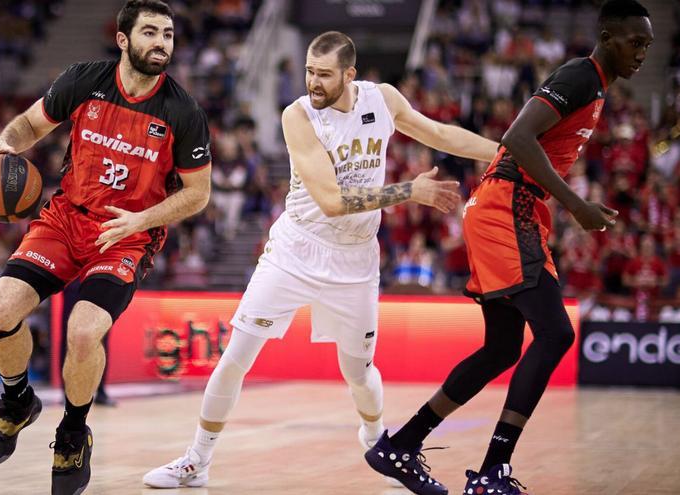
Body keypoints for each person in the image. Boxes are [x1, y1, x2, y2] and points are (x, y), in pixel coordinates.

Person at [143, 31, 498, 489]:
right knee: (235, 358)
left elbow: (438, 133)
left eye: (324, 74)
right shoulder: (298, 115)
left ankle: (378, 443)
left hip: (355, 260)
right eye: (310, 71)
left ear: (350, 74)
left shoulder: (382, 99)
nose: (313, 81)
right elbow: (331, 201)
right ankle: (197, 459)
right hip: (297, 249)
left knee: (359, 371)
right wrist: (410, 190)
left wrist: (506, 152)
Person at [366, 2, 654, 494]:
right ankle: (492, 471)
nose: (642, 53)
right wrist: (576, 205)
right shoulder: (581, 74)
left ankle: (401, 444)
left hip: (508, 208)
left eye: (648, 45)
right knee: (556, 333)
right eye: (635, 42)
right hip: (508, 206)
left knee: (502, 347)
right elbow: (518, 137)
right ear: (608, 36)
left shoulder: (596, 85)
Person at [0, 2, 212, 494]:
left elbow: (198, 193)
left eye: (168, 34)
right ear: (123, 39)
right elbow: (31, 125)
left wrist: (142, 219)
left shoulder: (182, 112)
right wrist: (1, 142)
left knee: (83, 333)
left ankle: (73, 431)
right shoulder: (84, 80)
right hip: (66, 218)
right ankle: (17, 400)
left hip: (126, 235)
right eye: (150, 32)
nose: (162, 42)